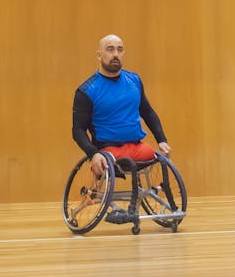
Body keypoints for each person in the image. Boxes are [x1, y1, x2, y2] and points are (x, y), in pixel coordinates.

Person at [72, 33, 171, 181]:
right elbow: (78, 130)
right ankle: (93, 191)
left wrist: (162, 139)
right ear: (99, 55)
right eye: (110, 49)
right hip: (109, 150)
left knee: (158, 156)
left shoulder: (134, 80)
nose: (115, 54)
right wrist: (93, 153)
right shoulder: (87, 91)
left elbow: (147, 112)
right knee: (111, 160)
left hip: (137, 147)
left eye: (119, 50)